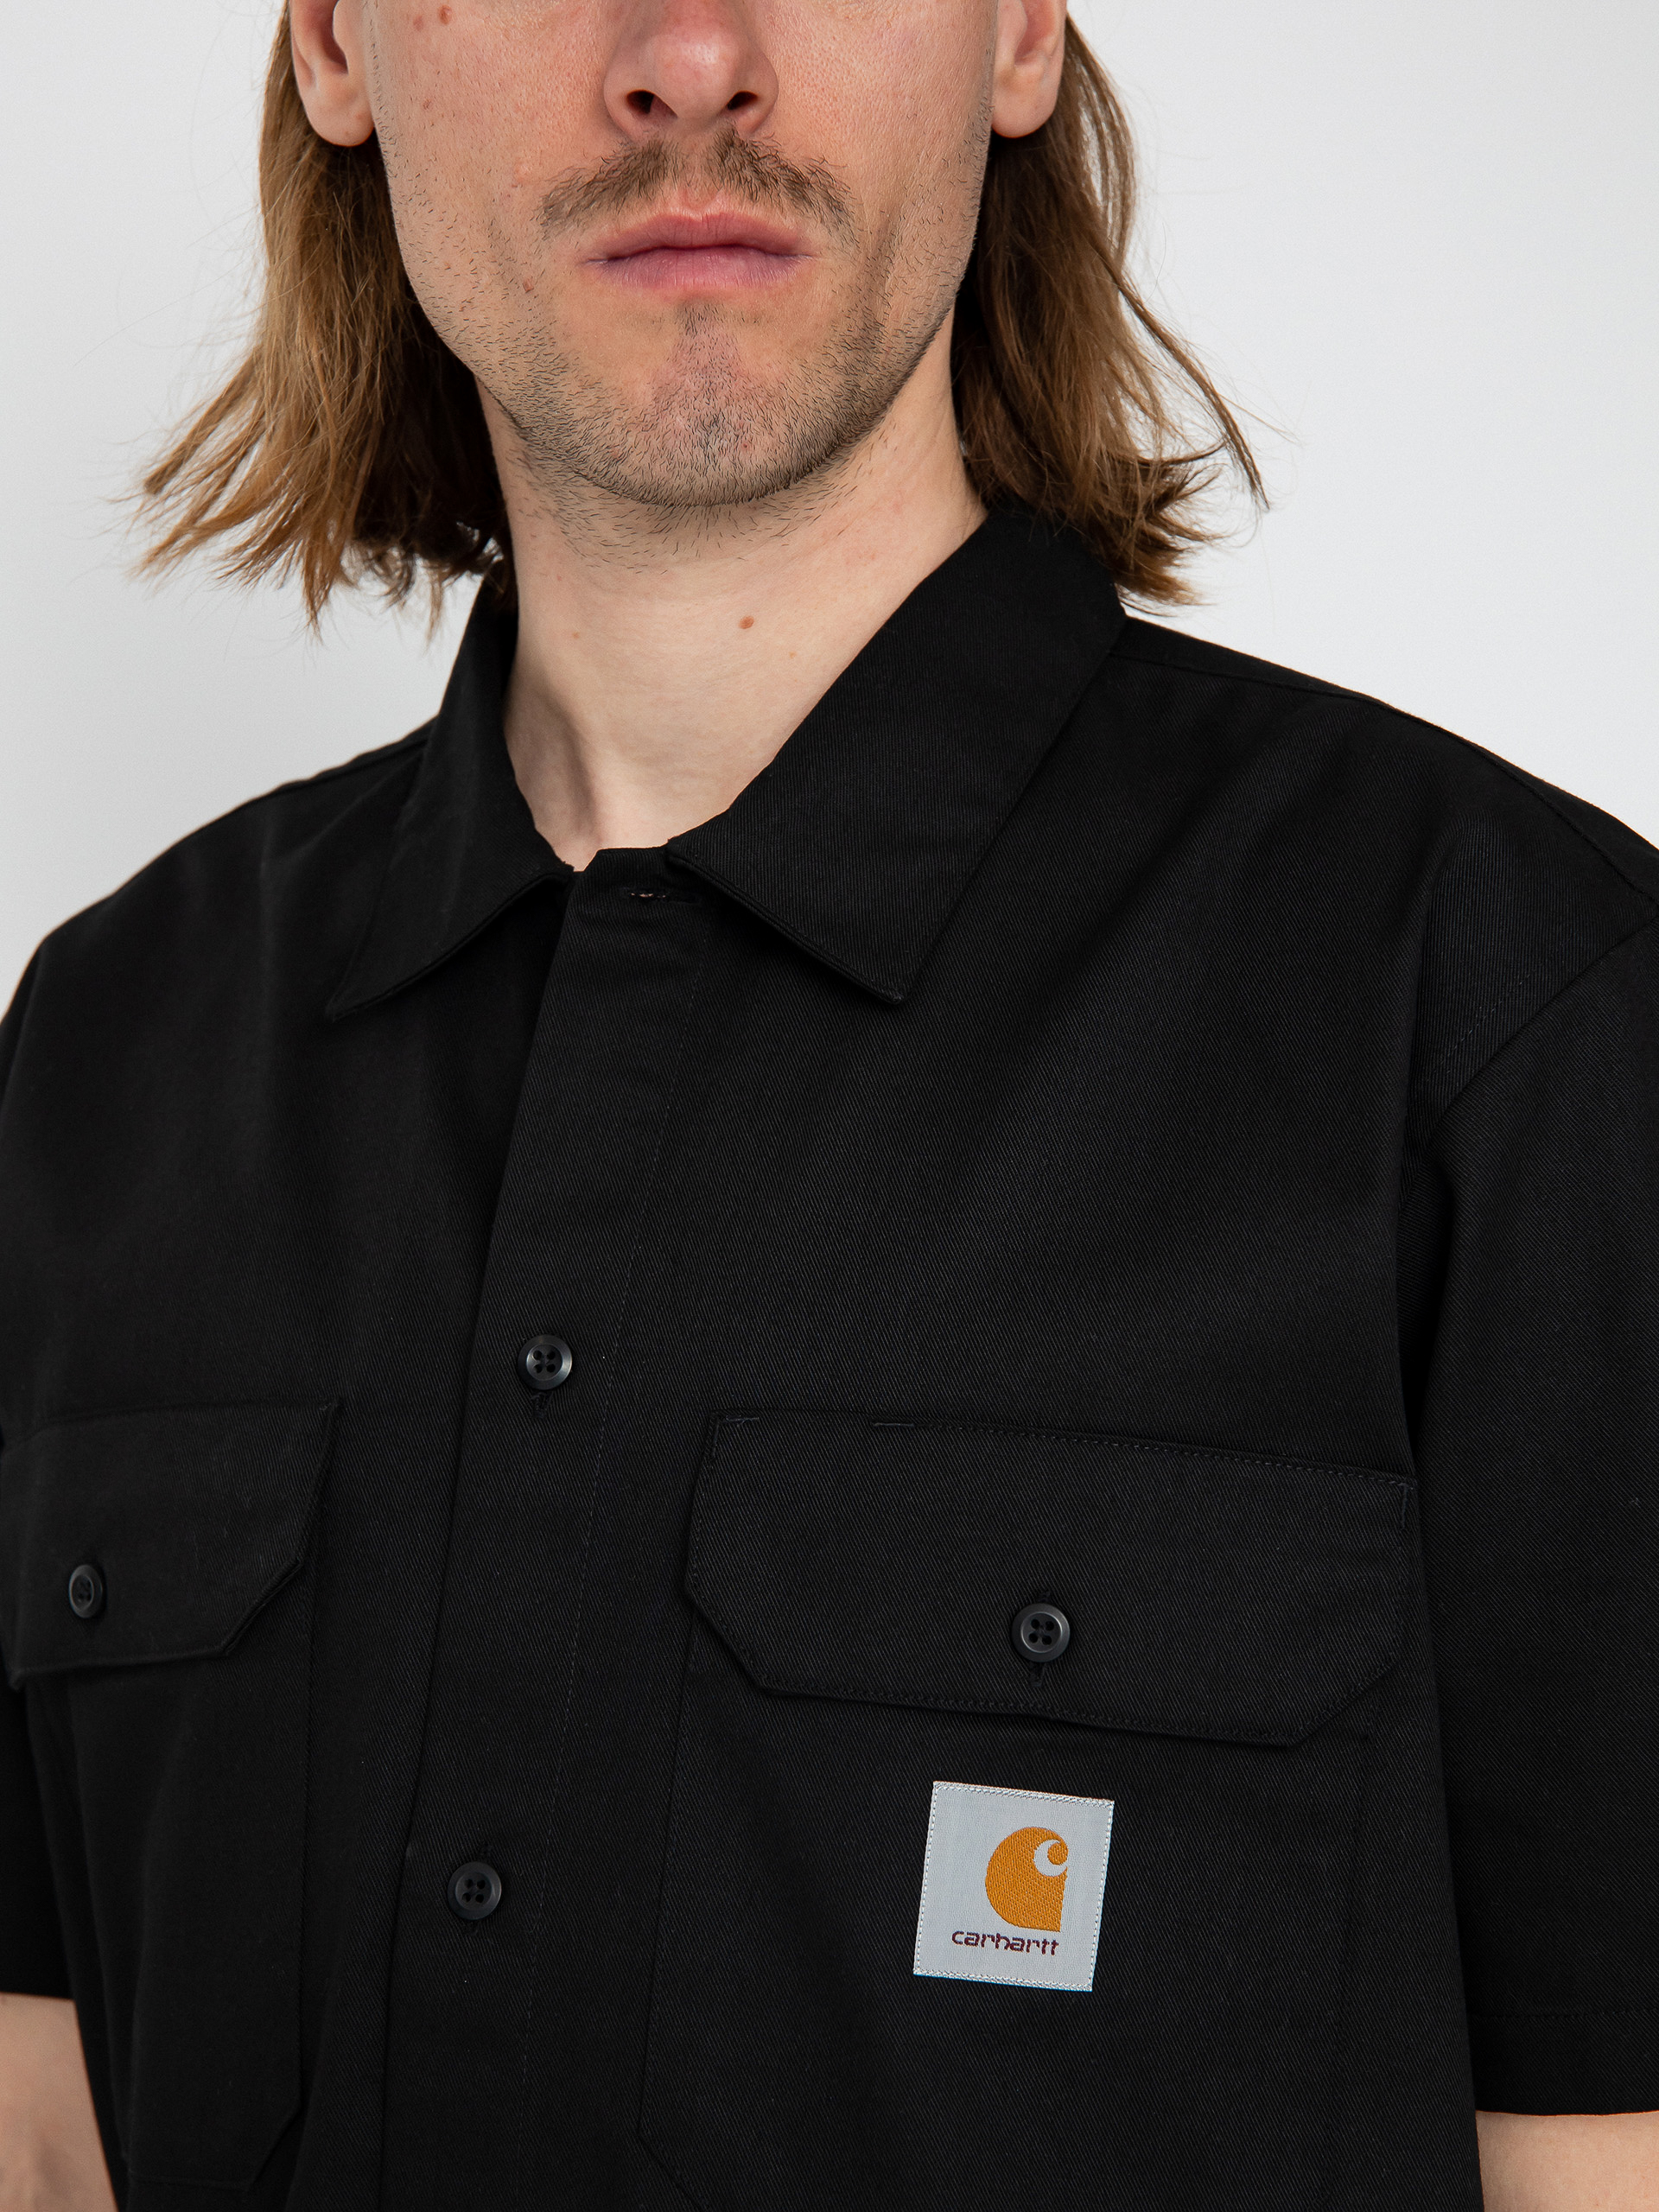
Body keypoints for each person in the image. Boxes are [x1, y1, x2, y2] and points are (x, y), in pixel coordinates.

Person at [0, 0, 1655, 2204]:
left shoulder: (1509, 1015)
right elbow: (48, 2134)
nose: (691, 54)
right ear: (334, 48)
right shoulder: (102, 1048)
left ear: (1018, 34)